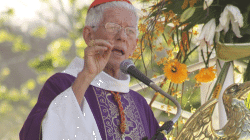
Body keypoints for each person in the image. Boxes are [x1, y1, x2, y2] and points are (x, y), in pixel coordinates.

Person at [19, 0, 166, 139]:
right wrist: (86, 75)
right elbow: (38, 135)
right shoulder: (62, 83)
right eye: (113, 27)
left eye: (130, 31)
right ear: (89, 35)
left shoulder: (139, 103)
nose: (122, 36)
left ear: (134, 45)